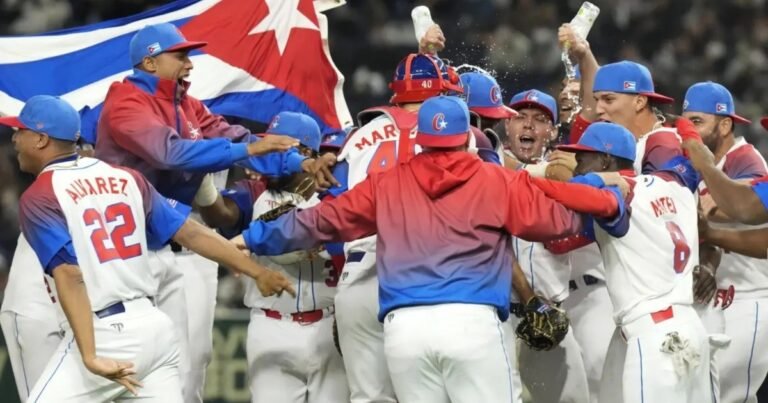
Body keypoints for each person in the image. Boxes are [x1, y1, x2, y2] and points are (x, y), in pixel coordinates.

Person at [233, 95, 627, 403]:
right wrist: (601, 198)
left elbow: (320, 221)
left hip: (406, 331)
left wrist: (252, 238)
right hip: (472, 324)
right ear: (467, 136)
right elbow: (555, 223)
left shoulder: (387, 183)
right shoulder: (493, 180)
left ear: (420, 138)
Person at [94, 22, 335, 402]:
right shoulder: (125, 102)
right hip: (125, 252)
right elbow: (168, 153)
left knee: (187, 366)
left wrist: (298, 163)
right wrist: (251, 151)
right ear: (150, 62)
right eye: (181, 55)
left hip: (171, 245)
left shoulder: (187, 105)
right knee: (124, 366)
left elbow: (235, 137)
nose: (190, 63)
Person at [3, 95, 293, 402]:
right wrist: (256, 271)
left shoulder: (41, 196)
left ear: (41, 139)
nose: (14, 138)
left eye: (20, 131)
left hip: (104, 331)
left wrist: (89, 355)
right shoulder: (126, 178)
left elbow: (69, 274)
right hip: (153, 329)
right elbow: (191, 232)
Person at [323, 50, 462, 403]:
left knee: (369, 398)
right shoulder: (453, 132)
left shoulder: (356, 138)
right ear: (441, 93)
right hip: (425, 271)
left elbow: (335, 213)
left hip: (360, 272)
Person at [552, 122, 711, 403]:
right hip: (691, 326)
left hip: (654, 336)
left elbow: (570, 191)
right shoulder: (674, 181)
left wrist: (603, 178)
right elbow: (696, 163)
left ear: (605, 160)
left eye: (582, 159)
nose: (576, 167)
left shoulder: (619, 196)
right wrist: (687, 128)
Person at [197, 111, 349, 403]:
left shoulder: (336, 197)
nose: (268, 153)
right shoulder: (254, 191)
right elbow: (221, 213)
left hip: (330, 326)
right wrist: (201, 179)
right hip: (271, 324)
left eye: (279, 146)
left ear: (306, 153)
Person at [503, 88, 591, 403]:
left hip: (551, 314)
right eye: (519, 118)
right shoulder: (488, 164)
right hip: (497, 317)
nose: (528, 126)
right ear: (506, 126)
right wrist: (528, 298)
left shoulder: (563, 169)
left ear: (552, 131)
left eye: (539, 120)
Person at [682, 81, 768, 403]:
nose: (687, 131)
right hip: (721, 297)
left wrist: (702, 164)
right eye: (685, 121)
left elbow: (741, 208)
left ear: (725, 124)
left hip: (751, 296)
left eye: (697, 122)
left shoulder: (744, 158)